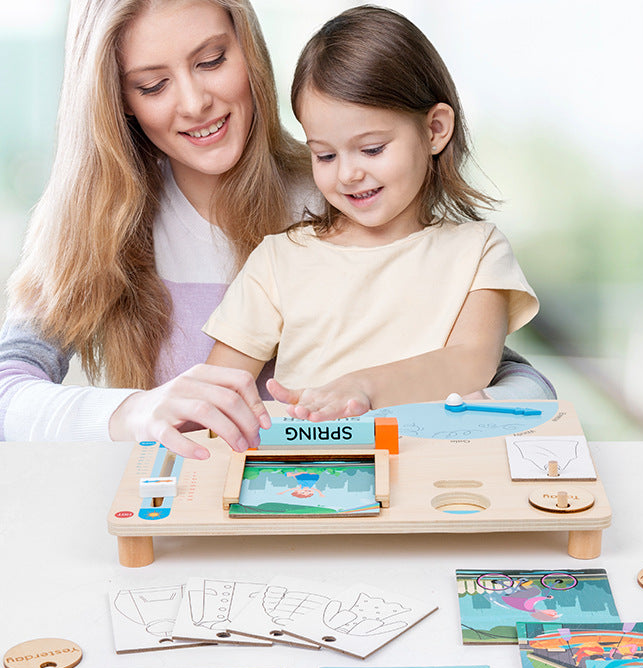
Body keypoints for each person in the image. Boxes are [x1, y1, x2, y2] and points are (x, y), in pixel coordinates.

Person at [0, 1, 554, 458]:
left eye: (212, 60)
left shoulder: (345, 200)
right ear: (116, 101)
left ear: (249, 51)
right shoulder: (93, 225)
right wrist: (133, 413)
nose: (195, 103)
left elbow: (486, 367)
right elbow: (9, 390)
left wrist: (499, 415)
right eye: (151, 85)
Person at [204, 5, 553, 421]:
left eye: (372, 149)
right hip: (313, 477)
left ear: (435, 130)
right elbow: (214, 396)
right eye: (325, 154)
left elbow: (472, 362)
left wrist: (362, 388)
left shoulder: (478, 251)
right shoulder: (279, 260)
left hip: (436, 474)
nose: (349, 173)